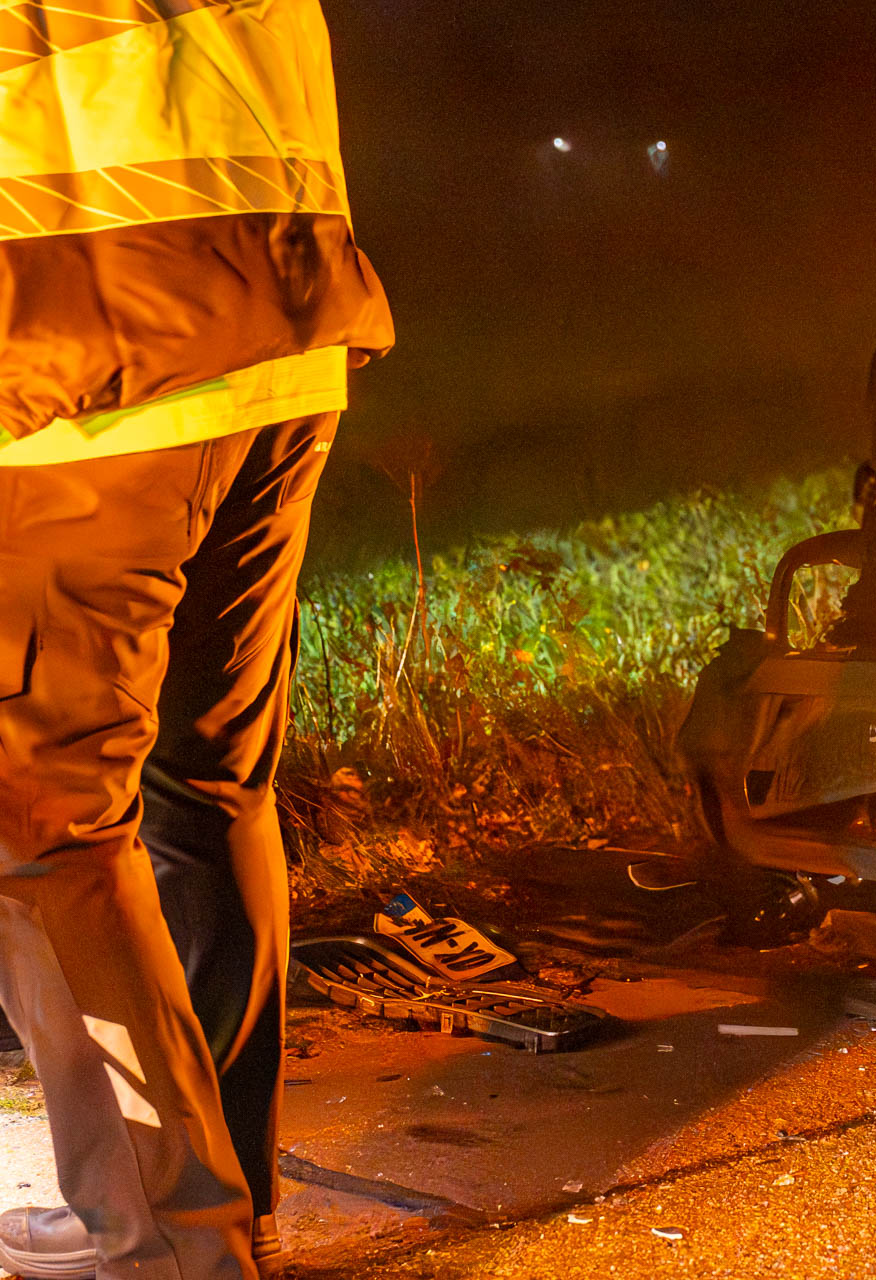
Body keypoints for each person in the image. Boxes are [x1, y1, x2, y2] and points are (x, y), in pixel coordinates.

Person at [0, 3, 392, 1277]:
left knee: (44, 833)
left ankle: (172, 1242)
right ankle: (217, 1201)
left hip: (92, 372)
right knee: (206, 788)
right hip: (276, 328)